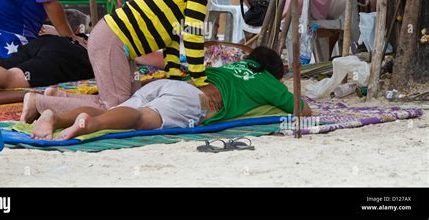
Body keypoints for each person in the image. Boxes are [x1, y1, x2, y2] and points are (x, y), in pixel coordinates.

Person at [20, 0, 248, 119]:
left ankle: (55, 98)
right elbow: (192, 35)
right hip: (113, 40)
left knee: (129, 100)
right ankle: (39, 104)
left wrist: (175, 75)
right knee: (116, 108)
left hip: (112, 38)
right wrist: (200, 80)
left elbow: (172, 35)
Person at [25, 46, 312, 140]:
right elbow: (301, 109)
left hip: (170, 85)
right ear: (271, 70)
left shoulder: (230, 66)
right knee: (137, 119)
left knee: (115, 111)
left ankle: (55, 116)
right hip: (192, 101)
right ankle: (89, 123)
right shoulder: (266, 80)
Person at [0, 33, 93, 89]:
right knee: (12, 78)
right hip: (66, 54)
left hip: (49, 40)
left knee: (1, 68)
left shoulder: (91, 36)